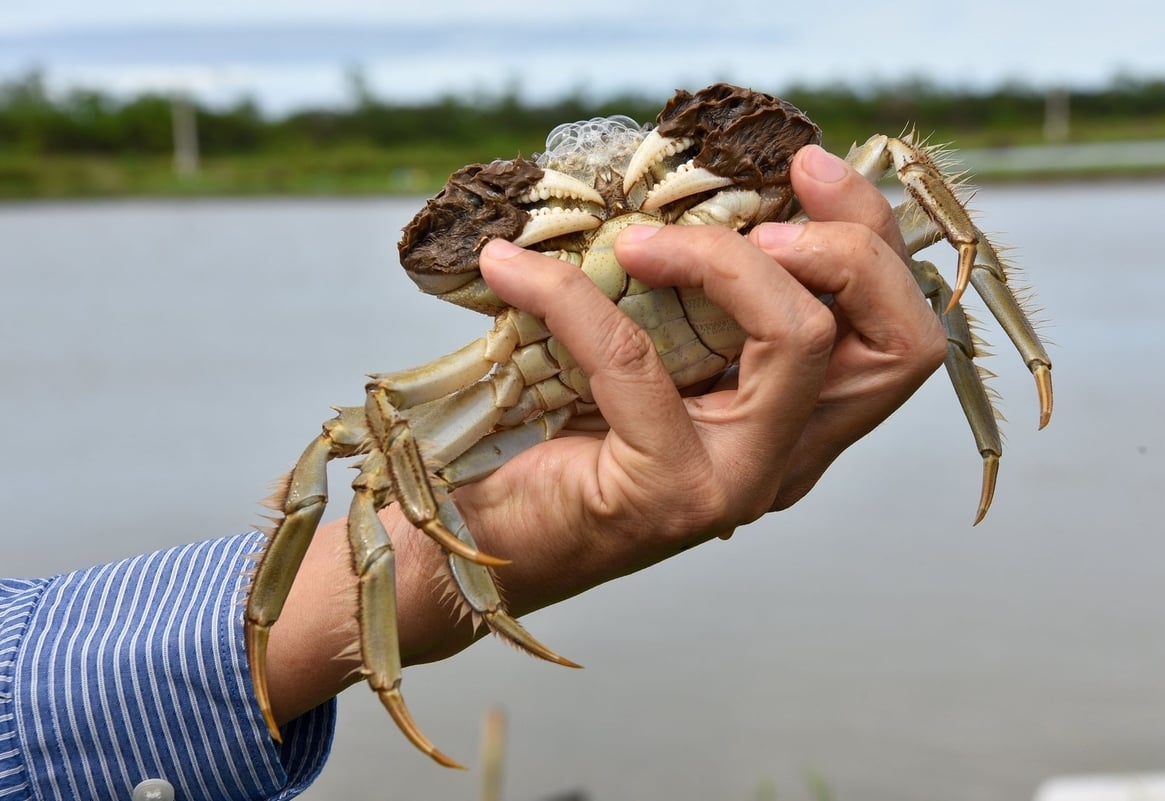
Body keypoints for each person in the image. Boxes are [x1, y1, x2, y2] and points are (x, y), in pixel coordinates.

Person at [0, 145, 946, 801]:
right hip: (528, 384)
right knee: (358, 447)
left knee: (899, 261)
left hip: (749, 281)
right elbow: (375, 454)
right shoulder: (494, 367)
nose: (608, 207)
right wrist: (495, 552)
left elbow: (913, 212)